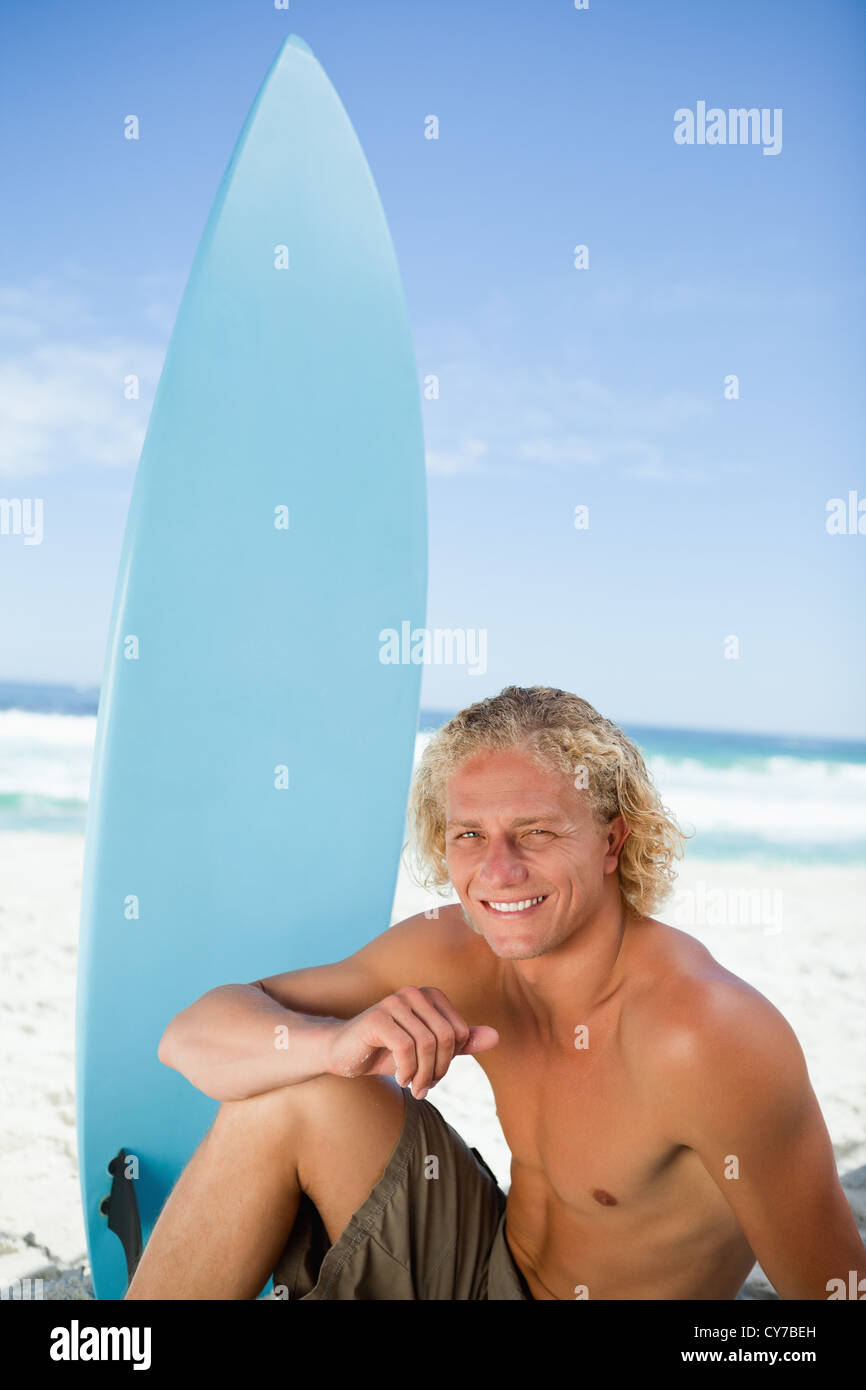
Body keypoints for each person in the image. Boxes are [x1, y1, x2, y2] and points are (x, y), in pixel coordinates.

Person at [125, 685, 866, 1299]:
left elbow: (834, 1291)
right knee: (300, 1087)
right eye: (469, 835)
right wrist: (332, 1043)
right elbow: (189, 1037)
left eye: (536, 832)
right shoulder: (457, 947)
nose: (498, 871)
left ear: (613, 841)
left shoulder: (703, 1034)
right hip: (485, 1272)